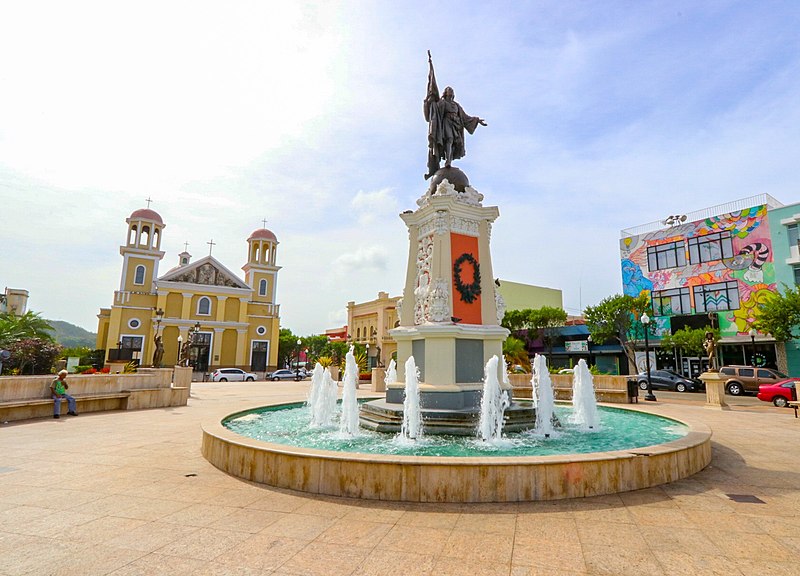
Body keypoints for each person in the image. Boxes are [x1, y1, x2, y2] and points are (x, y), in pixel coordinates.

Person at [424, 51, 486, 179]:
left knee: (453, 142)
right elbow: (434, 110)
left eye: (451, 90)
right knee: (449, 139)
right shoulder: (442, 103)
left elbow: (464, 117)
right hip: (446, 122)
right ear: (445, 93)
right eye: (448, 90)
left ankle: (449, 159)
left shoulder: (456, 105)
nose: (450, 91)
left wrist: (477, 120)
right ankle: (447, 161)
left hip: (456, 123)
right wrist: (429, 101)